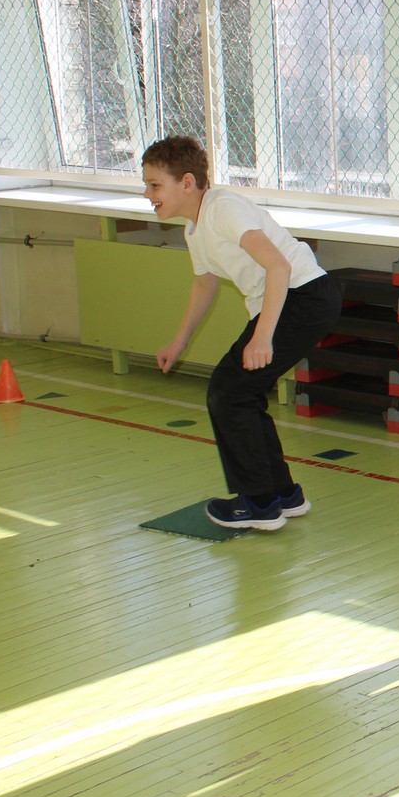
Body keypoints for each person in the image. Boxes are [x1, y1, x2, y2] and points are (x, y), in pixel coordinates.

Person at [143, 136, 341, 531]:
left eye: (154, 185)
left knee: (229, 393)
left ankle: (260, 505)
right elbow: (205, 284)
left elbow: (279, 267)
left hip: (303, 297)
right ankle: (282, 494)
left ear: (187, 182)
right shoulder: (195, 229)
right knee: (240, 394)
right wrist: (180, 341)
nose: (147, 194)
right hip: (294, 303)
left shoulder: (224, 209)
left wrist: (262, 336)